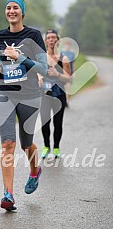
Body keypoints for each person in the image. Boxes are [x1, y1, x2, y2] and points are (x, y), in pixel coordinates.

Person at [0, 0, 47, 210]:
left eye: (16, 8)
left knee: (26, 144)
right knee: (8, 144)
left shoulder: (33, 35)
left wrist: (20, 57)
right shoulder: (1, 35)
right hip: (4, 92)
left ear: (22, 12)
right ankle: (8, 195)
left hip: (30, 95)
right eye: (8, 7)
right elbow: (3, 60)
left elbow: (42, 68)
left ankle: (35, 171)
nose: (11, 11)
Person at [39, 29, 71, 159]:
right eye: (49, 38)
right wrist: (39, 78)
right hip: (45, 94)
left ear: (58, 40)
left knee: (58, 123)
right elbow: (37, 72)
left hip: (59, 95)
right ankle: (46, 146)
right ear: (46, 41)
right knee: (44, 122)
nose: (51, 40)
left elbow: (68, 77)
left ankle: (56, 148)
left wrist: (58, 74)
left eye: (54, 37)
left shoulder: (64, 58)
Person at [61, 39, 75, 107]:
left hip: (70, 72)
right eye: (66, 45)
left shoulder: (72, 53)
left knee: (68, 87)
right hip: (62, 71)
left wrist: (74, 73)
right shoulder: (61, 52)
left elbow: (73, 64)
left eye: (68, 45)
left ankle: (67, 101)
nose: (67, 46)